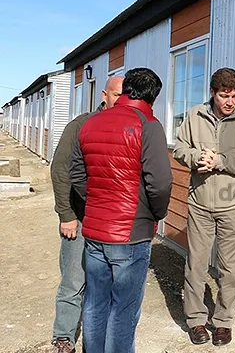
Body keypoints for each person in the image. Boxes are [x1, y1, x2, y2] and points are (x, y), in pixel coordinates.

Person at [69, 68, 172, 353]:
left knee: (94, 303)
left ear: (126, 90)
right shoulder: (148, 124)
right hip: (130, 232)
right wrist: (156, 214)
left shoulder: (91, 123)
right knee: (123, 311)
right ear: (154, 96)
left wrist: (95, 204)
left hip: (95, 230)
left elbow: (77, 175)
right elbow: (160, 183)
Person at [173, 68, 235, 346]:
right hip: (200, 203)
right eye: (224, 95)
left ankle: (223, 321)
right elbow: (179, 148)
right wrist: (197, 156)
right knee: (196, 266)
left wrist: (220, 160)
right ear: (212, 93)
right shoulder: (194, 115)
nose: (230, 102)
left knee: (230, 269)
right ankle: (196, 320)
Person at [49, 75, 123, 353]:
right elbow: (60, 170)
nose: (120, 100)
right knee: (73, 278)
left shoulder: (129, 126)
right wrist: (66, 214)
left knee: (107, 280)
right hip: (80, 218)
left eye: (125, 94)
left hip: (111, 220)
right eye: (116, 94)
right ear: (104, 95)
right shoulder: (81, 126)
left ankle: (101, 333)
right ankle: (64, 336)